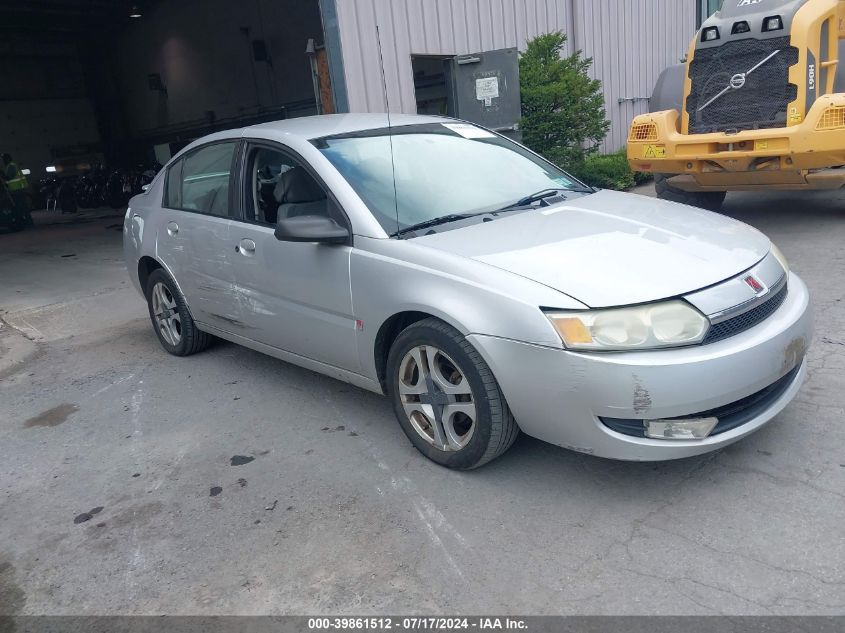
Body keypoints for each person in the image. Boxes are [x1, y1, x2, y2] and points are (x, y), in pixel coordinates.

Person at [0, 153, 33, 226]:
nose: (3, 161)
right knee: (21, 206)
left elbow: (9, 177)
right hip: (15, 190)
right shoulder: (9, 166)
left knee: (21, 206)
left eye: (3, 159)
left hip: (17, 190)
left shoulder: (11, 166)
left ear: (8, 159)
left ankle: (28, 222)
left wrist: (1, 173)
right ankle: (26, 222)